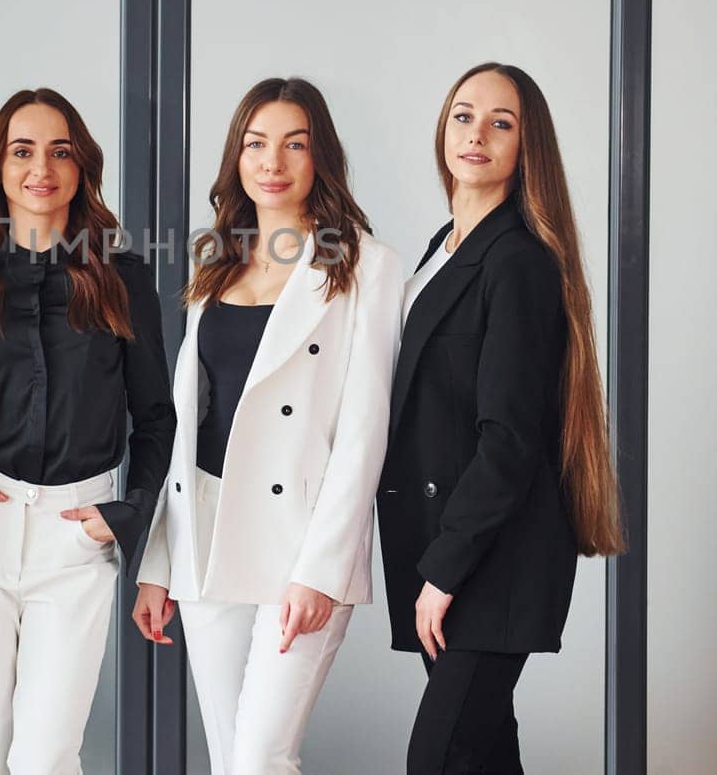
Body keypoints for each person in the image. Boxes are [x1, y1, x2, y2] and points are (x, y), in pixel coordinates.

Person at [133, 77, 404, 775]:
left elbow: (364, 431)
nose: (271, 161)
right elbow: (190, 426)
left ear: (322, 159)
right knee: (230, 760)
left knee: (260, 758)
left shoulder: (365, 267)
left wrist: (322, 570)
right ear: (237, 157)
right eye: (255, 143)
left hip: (298, 543)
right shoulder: (214, 264)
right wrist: (158, 565)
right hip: (207, 538)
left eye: (294, 143)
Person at [379, 62, 626, 773]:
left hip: (492, 561)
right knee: (483, 756)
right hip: (455, 555)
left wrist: (446, 568)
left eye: (501, 122)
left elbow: (509, 439)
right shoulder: (442, 249)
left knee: (442, 756)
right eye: (464, 114)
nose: (477, 133)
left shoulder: (517, 260)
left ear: (527, 147)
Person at [0, 88, 177, 775]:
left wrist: (128, 514)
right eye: (23, 150)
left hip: (75, 535)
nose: (42, 167)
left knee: (45, 755)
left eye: (60, 150)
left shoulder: (123, 279)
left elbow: (156, 418)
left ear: (81, 167)